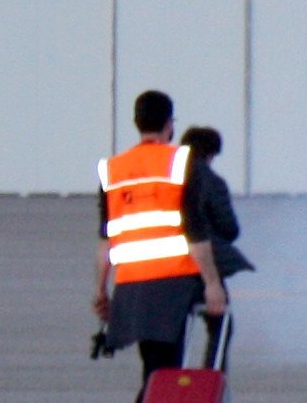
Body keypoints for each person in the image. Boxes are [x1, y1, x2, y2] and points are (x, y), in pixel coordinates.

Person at [94, 89, 229, 381]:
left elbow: (105, 239)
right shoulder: (181, 163)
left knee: (154, 367)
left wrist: (100, 289)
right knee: (165, 369)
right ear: (170, 124)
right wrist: (212, 283)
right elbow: (196, 231)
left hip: (131, 282)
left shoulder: (112, 169)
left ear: (137, 122)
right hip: (173, 282)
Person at [179, 126, 255, 284]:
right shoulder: (213, 182)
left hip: (164, 265)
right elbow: (229, 228)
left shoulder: (168, 179)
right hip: (202, 265)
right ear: (211, 154)